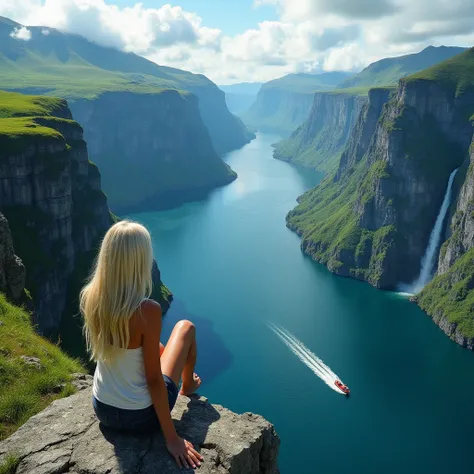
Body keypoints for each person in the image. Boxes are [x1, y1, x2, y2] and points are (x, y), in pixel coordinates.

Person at [80, 220, 203, 469]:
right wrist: (172, 438)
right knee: (186, 327)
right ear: (140, 261)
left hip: (102, 409)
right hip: (141, 417)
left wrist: (165, 354)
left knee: (163, 349)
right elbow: (154, 381)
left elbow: (134, 345)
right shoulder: (147, 310)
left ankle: (185, 380)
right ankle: (188, 385)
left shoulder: (91, 297)